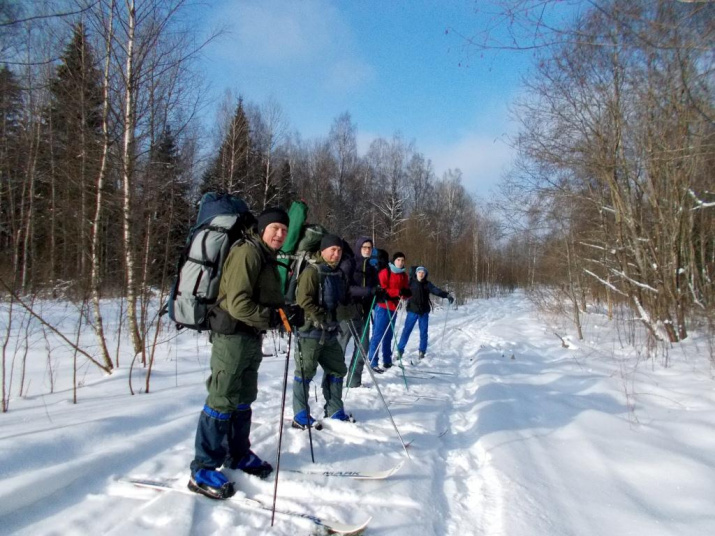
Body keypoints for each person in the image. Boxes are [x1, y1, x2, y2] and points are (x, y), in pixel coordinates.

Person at [188, 207, 289, 500]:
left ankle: (238, 454)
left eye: (284, 229)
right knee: (222, 398)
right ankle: (202, 468)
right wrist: (272, 318)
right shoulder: (248, 252)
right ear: (261, 229)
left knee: (244, 397)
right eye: (275, 228)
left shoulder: (266, 257)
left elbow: (264, 299)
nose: (280, 234)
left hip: (249, 337)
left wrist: (284, 313)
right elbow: (237, 304)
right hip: (231, 336)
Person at [292, 234, 354, 429]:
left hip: (330, 333)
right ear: (323, 251)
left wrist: (344, 311)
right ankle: (300, 415)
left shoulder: (335, 274)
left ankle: (335, 409)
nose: (336, 254)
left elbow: (338, 300)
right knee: (305, 372)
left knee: (338, 369)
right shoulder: (312, 271)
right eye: (332, 250)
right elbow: (304, 300)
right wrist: (323, 315)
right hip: (310, 333)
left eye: (339, 250)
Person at [338, 237, 380, 388]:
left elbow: (374, 289)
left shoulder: (371, 269)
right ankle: (334, 381)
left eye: (369, 247)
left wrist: (379, 294)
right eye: (364, 247)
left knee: (363, 349)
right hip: (348, 312)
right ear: (358, 248)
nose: (367, 250)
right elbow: (345, 288)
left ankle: (354, 382)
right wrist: (368, 291)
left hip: (364, 314)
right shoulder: (349, 264)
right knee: (340, 348)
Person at [397, 266, 453, 361]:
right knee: (406, 331)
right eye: (419, 272)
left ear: (425, 274)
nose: (421, 274)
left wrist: (446, 295)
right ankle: (400, 350)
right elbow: (402, 291)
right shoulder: (410, 283)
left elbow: (436, 291)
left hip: (423, 312)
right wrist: (400, 295)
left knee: (423, 333)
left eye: (423, 272)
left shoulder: (427, 284)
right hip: (412, 311)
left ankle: (422, 351)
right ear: (416, 273)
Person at [368, 251, 411, 372]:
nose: (400, 262)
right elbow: (383, 289)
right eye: (398, 260)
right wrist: (398, 292)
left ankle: (387, 360)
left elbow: (406, 289)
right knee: (378, 334)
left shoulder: (404, 275)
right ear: (393, 261)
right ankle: (373, 360)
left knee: (389, 335)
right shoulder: (385, 272)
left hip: (394, 308)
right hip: (383, 306)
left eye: (402, 260)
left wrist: (407, 294)